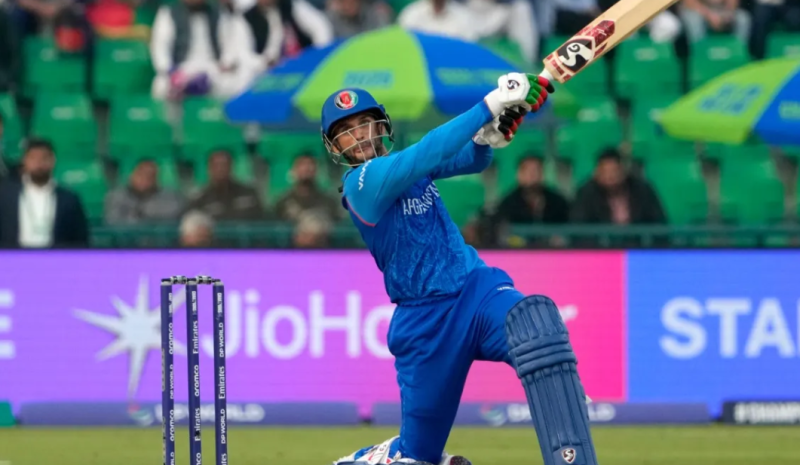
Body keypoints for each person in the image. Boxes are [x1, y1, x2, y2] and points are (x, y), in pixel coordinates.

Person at [322, 77, 599, 465]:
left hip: (474, 291)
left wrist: (486, 139)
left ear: (381, 125)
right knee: (419, 456)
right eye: (347, 131)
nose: (359, 135)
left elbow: (469, 159)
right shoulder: (360, 186)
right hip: (425, 323)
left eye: (364, 123)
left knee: (536, 326)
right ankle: (380, 457)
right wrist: (489, 105)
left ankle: (571, 447)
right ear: (335, 147)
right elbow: (427, 151)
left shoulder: (410, 168)